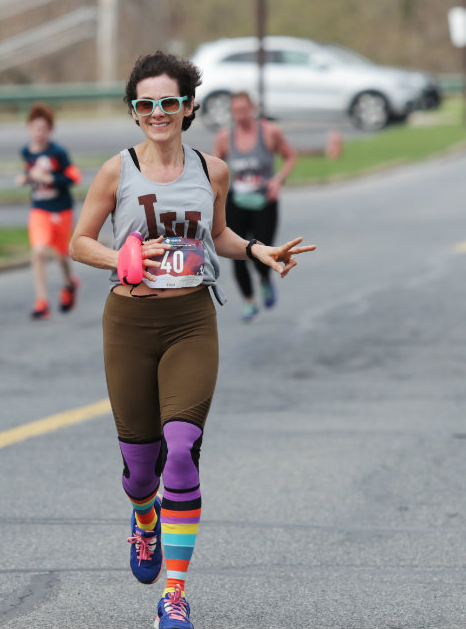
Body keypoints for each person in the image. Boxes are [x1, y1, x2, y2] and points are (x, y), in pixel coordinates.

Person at [69, 51, 315, 629]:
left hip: (191, 320)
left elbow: (220, 233)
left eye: (170, 102)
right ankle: (144, 518)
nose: (159, 112)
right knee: (140, 471)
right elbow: (79, 243)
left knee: (181, 450)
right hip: (128, 324)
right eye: (147, 104)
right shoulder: (116, 171)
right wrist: (121, 255)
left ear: (188, 107)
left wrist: (257, 250)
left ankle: (174, 596)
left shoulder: (213, 171)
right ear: (135, 112)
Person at [212, 91, 297, 323]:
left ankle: (264, 279)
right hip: (237, 202)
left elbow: (290, 156)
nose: (240, 115)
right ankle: (249, 301)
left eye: (243, 110)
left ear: (252, 108)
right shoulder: (224, 137)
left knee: (263, 251)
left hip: (264, 202)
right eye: (235, 111)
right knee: (239, 253)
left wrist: (278, 180)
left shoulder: (270, 132)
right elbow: (215, 167)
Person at [15, 102, 82, 319]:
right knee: (39, 252)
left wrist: (50, 178)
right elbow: (29, 170)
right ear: (29, 129)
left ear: (50, 131)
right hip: (40, 210)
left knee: (61, 256)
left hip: (61, 209)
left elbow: (74, 177)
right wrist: (25, 178)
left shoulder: (58, 153)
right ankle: (42, 301)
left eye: (43, 129)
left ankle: (69, 283)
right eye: (35, 128)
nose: (39, 133)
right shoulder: (26, 151)